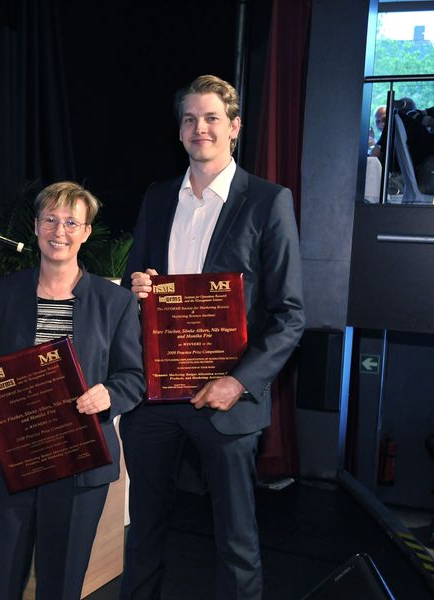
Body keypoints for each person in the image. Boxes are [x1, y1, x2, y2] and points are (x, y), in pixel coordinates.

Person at [119, 75, 305, 600]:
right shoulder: (157, 198)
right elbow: (139, 284)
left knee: (236, 542)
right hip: (155, 397)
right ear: (179, 131)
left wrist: (239, 383)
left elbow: (290, 314)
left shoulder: (268, 202)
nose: (199, 128)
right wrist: (138, 288)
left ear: (235, 128)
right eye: (189, 119)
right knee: (142, 535)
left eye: (211, 118)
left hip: (225, 400)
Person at [0, 181, 144, 599]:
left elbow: (133, 377)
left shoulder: (113, 301)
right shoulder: (5, 292)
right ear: (35, 226)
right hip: (7, 463)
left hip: (79, 466)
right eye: (50, 219)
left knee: (61, 588)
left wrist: (109, 395)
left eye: (70, 222)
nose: (59, 231)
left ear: (85, 232)